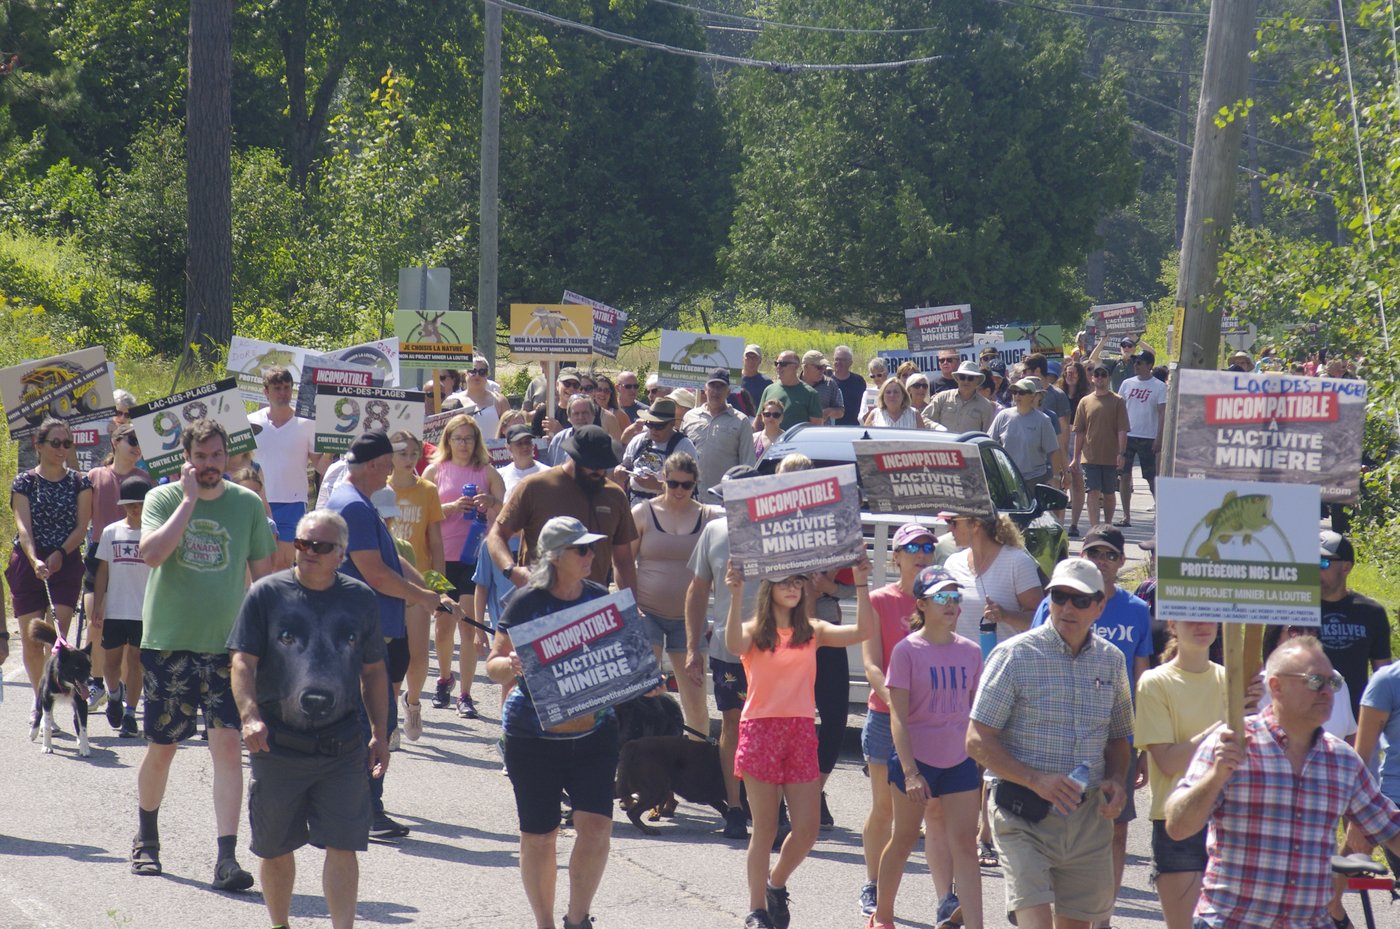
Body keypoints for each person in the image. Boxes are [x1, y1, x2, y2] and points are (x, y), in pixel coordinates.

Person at [130, 418, 277, 886]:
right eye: (201, 457)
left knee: (229, 747)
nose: (210, 465)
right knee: (164, 747)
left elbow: (264, 578)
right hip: (170, 641)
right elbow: (152, 554)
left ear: (227, 455)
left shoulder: (247, 504)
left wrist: (266, 643)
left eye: (217, 456)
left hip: (226, 647)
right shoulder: (162, 498)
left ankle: (226, 858)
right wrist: (189, 499)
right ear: (185, 457)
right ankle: (147, 838)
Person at [1166, 636, 1400, 929]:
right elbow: (1177, 826)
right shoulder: (1233, 743)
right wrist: (1216, 776)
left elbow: (1389, 828)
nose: (1328, 692)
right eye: (1315, 681)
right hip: (1232, 922)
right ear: (1276, 686)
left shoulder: (1342, 760)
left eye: (1333, 683)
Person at [228, 509, 390, 929]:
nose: (309, 553)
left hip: (341, 745)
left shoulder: (360, 599)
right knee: (275, 849)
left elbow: (373, 671)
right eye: (302, 544)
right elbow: (242, 660)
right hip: (277, 744)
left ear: (342, 553)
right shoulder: (266, 594)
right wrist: (249, 716)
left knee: (343, 846)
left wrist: (380, 733)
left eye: (321, 546)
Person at [967, 557, 1133, 929]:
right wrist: (1035, 779)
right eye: (1059, 597)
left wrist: (1118, 780)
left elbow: (1119, 737)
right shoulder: (1013, 655)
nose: (1067, 608)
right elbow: (976, 740)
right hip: (1022, 811)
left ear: (1100, 605)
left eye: (1080, 600)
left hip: (1088, 817)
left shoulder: (1112, 661)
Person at [485, 517, 627, 929]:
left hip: (595, 732)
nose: (590, 555)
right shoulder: (525, 602)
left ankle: (577, 919)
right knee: (540, 835)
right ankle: (544, 922)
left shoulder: (600, 598)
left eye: (591, 548)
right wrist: (509, 664)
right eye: (581, 549)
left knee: (597, 826)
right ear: (555, 556)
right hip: (532, 735)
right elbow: (493, 665)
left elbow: (620, 658)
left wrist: (640, 678)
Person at [724, 555, 873, 929]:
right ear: (769, 588)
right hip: (760, 730)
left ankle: (775, 884)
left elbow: (863, 631)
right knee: (766, 828)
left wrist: (860, 583)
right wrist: (735, 591)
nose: (792, 587)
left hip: (801, 730)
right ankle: (756, 910)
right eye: (784, 581)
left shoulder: (814, 630)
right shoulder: (756, 630)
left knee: (806, 829)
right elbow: (731, 644)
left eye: (798, 581)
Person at [329, 431, 458, 838]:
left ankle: (362, 805)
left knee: (375, 720)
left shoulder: (364, 504)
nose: (391, 473)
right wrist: (422, 598)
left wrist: (432, 595)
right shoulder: (353, 506)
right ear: (372, 465)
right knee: (375, 722)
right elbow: (377, 574)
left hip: (370, 632)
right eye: (387, 465)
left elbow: (396, 563)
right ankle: (366, 809)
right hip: (358, 633)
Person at [1028, 526, 1151, 929]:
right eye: (1093, 552)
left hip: (1117, 735)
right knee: (1053, 828)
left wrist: (1142, 744)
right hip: (1059, 731)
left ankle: (1103, 917)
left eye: (1110, 554)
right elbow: (1031, 663)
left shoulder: (1136, 610)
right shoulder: (1056, 602)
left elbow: (1142, 676)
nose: (1101, 560)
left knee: (1114, 829)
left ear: (1121, 562)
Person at [872, 565, 984, 929]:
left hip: (959, 760)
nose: (951, 604)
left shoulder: (969, 651)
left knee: (966, 844)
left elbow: (973, 713)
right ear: (922, 604)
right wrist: (910, 772)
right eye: (942, 597)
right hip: (916, 760)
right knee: (903, 838)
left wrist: (980, 757)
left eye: (955, 596)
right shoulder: (907, 651)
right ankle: (882, 916)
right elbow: (898, 718)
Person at [858, 523, 939, 918]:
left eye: (928, 547)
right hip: (884, 716)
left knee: (932, 814)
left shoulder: (941, 600)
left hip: (931, 723)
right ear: (896, 557)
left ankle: (947, 897)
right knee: (885, 810)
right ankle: (872, 884)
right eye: (913, 548)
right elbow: (872, 664)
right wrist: (896, 702)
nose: (922, 554)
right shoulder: (878, 600)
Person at [685, 464, 764, 840]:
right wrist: (692, 647)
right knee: (731, 723)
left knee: (768, 727)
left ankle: (770, 805)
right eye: (726, 498)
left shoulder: (775, 532)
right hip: (726, 651)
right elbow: (697, 590)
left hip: (772, 651)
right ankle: (734, 807)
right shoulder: (713, 532)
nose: (730, 505)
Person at [1133, 621, 1227, 929]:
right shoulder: (1155, 682)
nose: (1202, 625)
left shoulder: (1231, 680)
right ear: (1173, 623)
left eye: (1208, 616)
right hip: (1177, 824)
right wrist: (1226, 724)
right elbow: (1169, 762)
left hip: (1229, 821)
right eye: (1191, 617)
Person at [422, 415, 506, 718]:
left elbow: (505, 509)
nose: (463, 444)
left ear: (476, 441)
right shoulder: (435, 470)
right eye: (457, 438)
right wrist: (452, 507)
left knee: (469, 626)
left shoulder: (487, 472)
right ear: (448, 440)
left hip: (474, 557)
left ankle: (466, 694)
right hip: (441, 557)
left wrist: (489, 501)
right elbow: (423, 512)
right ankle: (445, 678)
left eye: (468, 438)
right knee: (443, 627)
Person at [488, 425, 639, 594]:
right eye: (594, 466)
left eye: (604, 466)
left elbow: (624, 559)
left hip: (594, 607)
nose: (600, 471)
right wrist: (511, 570)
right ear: (576, 458)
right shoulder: (535, 487)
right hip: (540, 601)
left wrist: (632, 606)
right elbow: (497, 535)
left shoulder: (615, 496)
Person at [8, 417, 92, 718]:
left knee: (55, 638)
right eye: (55, 443)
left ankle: (55, 691)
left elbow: (82, 526)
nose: (61, 449)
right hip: (29, 560)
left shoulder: (81, 482)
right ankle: (40, 701)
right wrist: (35, 560)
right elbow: (23, 526)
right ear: (38, 445)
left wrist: (59, 553)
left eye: (66, 443)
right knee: (31, 640)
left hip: (66, 560)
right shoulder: (24, 482)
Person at [631, 451, 719, 739]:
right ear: (663, 481)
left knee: (695, 698)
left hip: (689, 618)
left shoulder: (708, 517)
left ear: (695, 484)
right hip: (646, 612)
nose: (679, 490)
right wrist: (628, 603)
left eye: (686, 485)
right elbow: (621, 564)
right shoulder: (643, 513)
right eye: (673, 484)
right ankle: (640, 760)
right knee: (644, 694)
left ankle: (698, 762)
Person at [82, 421, 148, 707]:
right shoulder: (95, 475)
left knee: (130, 640)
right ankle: (97, 682)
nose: (137, 446)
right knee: (96, 624)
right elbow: (82, 517)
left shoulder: (144, 478)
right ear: (115, 442)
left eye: (140, 441)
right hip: (101, 551)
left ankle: (122, 692)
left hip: (134, 554)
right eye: (131, 439)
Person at [386, 430, 446, 742]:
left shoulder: (428, 490)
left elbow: (436, 542)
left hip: (419, 582)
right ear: (390, 457)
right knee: (390, 653)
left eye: (413, 453)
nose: (409, 460)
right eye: (402, 453)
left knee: (419, 654)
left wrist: (439, 588)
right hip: (386, 582)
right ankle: (389, 720)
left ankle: (413, 702)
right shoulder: (380, 491)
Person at [91, 474, 153, 738]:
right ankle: (114, 694)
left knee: (136, 661)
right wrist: (99, 603)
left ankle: (130, 713)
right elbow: (102, 570)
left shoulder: (155, 533)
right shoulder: (111, 531)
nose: (135, 508)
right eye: (130, 504)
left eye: (139, 503)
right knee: (111, 662)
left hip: (144, 610)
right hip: (116, 608)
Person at [247, 366, 324, 570]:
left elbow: (321, 466)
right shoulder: (251, 422)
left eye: (287, 387)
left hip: (293, 502)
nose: (283, 393)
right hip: (258, 501)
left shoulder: (307, 423)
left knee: (283, 563)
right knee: (259, 563)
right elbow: (238, 463)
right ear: (266, 391)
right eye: (277, 388)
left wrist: (334, 448)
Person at [1318, 530, 1391, 720]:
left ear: (1346, 567)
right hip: (1306, 718)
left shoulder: (1371, 613)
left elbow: (1383, 676)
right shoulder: (1296, 612)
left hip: (1356, 721)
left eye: (1322, 563)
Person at [1071, 362, 1129, 528]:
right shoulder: (1085, 402)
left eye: (1103, 375)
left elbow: (1122, 430)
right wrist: (1075, 458)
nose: (1100, 378)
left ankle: (1107, 526)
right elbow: (1079, 432)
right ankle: (1095, 529)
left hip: (1111, 456)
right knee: (1093, 492)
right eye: (1097, 375)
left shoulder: (1118, 401)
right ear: (1092, 378)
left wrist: (1121, 453)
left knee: (1109, 494)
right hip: (1090, 456)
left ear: (1109, 378)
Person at [1356, 661, 1400, 875]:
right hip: (1397, 806)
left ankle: (1333, 904)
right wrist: (1357, 820)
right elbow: (1361, 759)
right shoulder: (1388, 681)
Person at [683, 368, 757, 493]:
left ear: (728, 392)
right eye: (712, 386)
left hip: (723, 499)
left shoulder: (740, 421)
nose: (716, 391)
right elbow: (679, 455)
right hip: (691, 497)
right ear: (705, 389)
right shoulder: (689, 417)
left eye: (721, 387)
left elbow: (747, 465)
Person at [1115, 350, 1166, 525]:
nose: (1136, 365)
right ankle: (1126, 516)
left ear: (1149, 365)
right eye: (1135, 362)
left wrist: (1159, 438)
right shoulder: (1127, 383)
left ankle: (1161, 512)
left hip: (1148, 437)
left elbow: (1162, 414)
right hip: (1128, 435)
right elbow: (1119, 410)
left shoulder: (1159, 386)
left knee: (1151, 477)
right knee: (1124, 476)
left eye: (1140, 362)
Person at [617, 397, 698, 504]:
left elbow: (690, 486)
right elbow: (626, 464)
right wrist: (620, 471)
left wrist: (658, 485)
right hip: (634, 505)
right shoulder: (639, 440)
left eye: (659, 426)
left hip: (668, 510)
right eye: (650, 424)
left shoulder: (684, 446)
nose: (654, 430)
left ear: (672, 424)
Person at [989, 378, 1062, 486]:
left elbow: (1054, 450)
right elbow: (990, 442)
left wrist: (1056, 477)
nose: (1017, 396)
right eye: (1014, 392)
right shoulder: (1003, 416)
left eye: (1022, 392)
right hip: (1007, 478)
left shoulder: (1043, 420)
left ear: (1032, 396)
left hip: (1035, 479)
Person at [923, 360, 996, 433]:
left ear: (977, 381)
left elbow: (989, 434)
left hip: (971, 444)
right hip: (944, 443)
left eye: (970, 378)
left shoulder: (986, 406)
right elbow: (923, 418)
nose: (966, 381)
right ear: (957, 379)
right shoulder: (942, 397)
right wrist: (936, 426)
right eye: (962, 377)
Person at [1060, 361, 1090, 538]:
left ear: (1079, 376)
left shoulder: (1086, 397)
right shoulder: (1059, 394)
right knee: (1061, 482)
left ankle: (1074, 524)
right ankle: (1059, 523)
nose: (1070, 376)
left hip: (1079, 438)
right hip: (1061, 438)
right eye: (1067, 373)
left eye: (1074, 373)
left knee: (1078, 483)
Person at [760, 351, 823, 431]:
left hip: (797, 443)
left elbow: (816, 427)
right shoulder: (769, 390)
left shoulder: (810, 394)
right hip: (771, 442)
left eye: (783, 364)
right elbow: (759, 421)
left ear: (796, 366)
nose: (778, 367)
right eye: (777, 363)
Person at [447, 359, 508, 440]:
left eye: (482, 372)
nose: (477, 375)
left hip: (490, 451)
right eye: (473, 371)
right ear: (465, 374)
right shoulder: (453, 401)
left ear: (487, 375)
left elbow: (511, 431)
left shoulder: (499, 401)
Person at [530, 368, 584, 439]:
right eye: (567, 384)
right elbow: (533, 440)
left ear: (580, 389)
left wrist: (561, 432)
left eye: (575, 385)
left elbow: (584, 443)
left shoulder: (584, 413)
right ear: (557, 385)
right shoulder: (544, 411)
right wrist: (544, 443)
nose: (571, 388)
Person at [800, 349, 844, 424]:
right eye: (819, 367)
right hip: (798, 432)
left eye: (824, 367)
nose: (822, 370)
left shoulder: (830, 384)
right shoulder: (794, 383)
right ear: (805, 367)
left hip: (822, 432)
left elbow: (840, 412)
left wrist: (828, 412)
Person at [831, 345, 866, 426]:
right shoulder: (827, 382)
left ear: (850, 363)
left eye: (843, 360)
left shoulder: (859, 381)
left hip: (855, 427)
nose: (839, 362)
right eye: (837, 359)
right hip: (834, 428)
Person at [740, 344, 773, 411]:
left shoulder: (766, 383)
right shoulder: (733, 378)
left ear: (760, 361)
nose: (751, 361)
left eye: (754, 358)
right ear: (743, 359)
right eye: (748, 357)